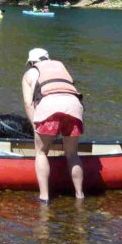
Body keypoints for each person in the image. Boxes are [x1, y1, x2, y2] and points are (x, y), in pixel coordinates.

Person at [22, 48, 85, 202]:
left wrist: (35, 125)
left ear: (31, 63)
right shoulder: (60, 66)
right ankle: (80, 195)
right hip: (74, 105)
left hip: (49, 105)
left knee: (41, 152)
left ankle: (44, 197)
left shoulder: (30, 73)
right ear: (47, 58)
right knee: (72, 154)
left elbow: (28, 103)